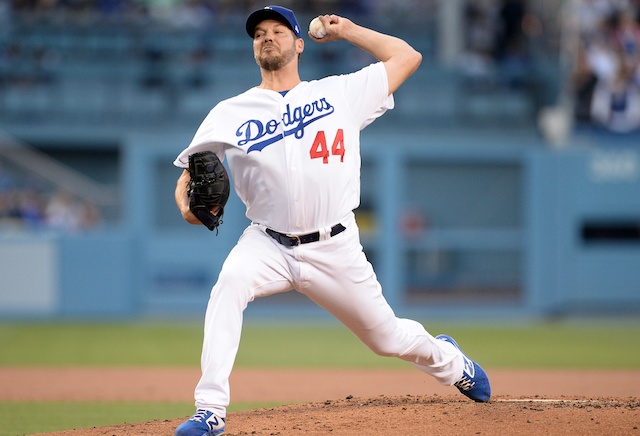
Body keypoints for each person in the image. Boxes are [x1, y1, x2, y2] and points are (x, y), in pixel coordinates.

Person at [173, 6, 491, 436]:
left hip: (335, 245)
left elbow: (407, 57)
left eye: (279, 31)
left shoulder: (340, 93)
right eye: (260, 33)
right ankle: (210, 411)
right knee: (229, 283)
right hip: (267, 242)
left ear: (300, 44)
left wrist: (350, 30)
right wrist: (188, 208)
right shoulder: (229, 112)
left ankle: (451, 362)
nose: (268, 37)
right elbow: (187, 181)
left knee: (387, 339)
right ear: (253, 48)